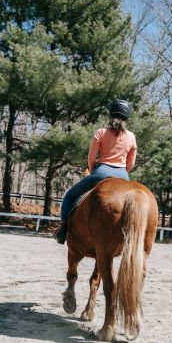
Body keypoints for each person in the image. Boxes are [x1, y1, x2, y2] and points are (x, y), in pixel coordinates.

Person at [53, 99, 137, 244]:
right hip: (123, 175)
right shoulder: (131, 136)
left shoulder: (101, 132)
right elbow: (131, 162)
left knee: (69, 196)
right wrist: (122, 172)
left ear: (110, 115)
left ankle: (63, 230)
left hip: (101, 172)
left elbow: (91, 158)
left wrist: (94, 172)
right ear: (127, 117)